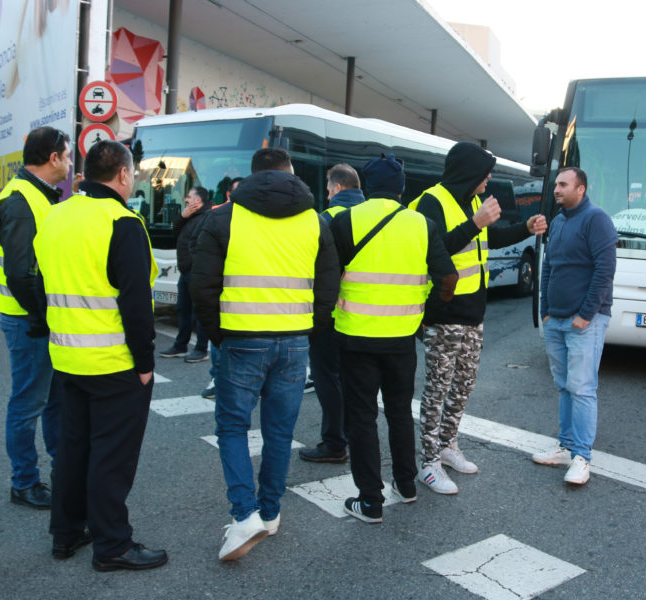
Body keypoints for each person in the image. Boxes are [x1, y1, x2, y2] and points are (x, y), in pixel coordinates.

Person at [191, 147, 339, 560]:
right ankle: (270, 513)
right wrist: (310, 328)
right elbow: (328, 285)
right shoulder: (313, 220)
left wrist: (218, 335)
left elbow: (202, 285)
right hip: (294, 338)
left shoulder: (225, 216)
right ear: (290, 175)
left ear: (252, 176)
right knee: (279, 432)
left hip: (241, 337)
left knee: (234, 427)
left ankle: (244, 516)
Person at [33, 140, 167, 570]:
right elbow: (136, 304)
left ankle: (66, 533)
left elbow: (40, 286)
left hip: (67, 359)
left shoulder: (55, 216)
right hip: (114, 365)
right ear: (124, 175)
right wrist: (146, 365)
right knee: (112, 456)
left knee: (73, 450)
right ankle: (113, 545)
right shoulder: (122, 222)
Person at [412, 141, 547, 494]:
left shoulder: (473, 201)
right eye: (485, 173)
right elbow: (434, 249)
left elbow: (491, 237)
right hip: (443, 313)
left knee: (464, 384)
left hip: (473, 313)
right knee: (437, 390)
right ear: (469, 173)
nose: (489, 179)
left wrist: (525, 228)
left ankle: (447, 444)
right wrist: (475, 223)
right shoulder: (432, 201)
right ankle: (427, 463)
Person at [330, 154, 457, 523]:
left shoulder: (347, 220)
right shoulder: (422, 224)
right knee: (400, 412)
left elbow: (327, 275)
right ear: (403, 189)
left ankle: (370, 501)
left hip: (355, 336)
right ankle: (406, 485)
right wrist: (425, 308)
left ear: (366, 187)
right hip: (402, 337)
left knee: (362, 418)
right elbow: (448, 279)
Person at [0, 126, 69, 509]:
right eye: (68, 156)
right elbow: (22, 273)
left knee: (53, 400)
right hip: (28, 321)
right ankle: (23, 481)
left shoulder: (38, 195)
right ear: (53, 158)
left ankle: (62, 473)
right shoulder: (21, 199)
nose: (70, 164)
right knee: (28, 403)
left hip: (38, 319)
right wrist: (42, 318)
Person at [532, 167, 617, 485]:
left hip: (585, 321)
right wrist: (545, 311)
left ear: (581, 189)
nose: (557, 189)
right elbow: (549, 267)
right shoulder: (558, 221)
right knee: (565, 386)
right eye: (556, 184)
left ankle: (582, 457)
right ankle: (565, 446)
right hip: (556, 319)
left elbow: (605, 269)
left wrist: (586, 314)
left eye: (564, 185)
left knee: (581, 388)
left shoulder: (597, 219)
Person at [298, 163, 365, 464]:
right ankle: (355, 436)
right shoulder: (374, 216)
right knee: (354, 380)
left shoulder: (325, 219)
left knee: (327, 378)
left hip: (331, 315)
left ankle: (334, 443)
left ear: (337, 188)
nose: (326, 195)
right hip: (367, 317)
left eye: (328, 189)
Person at [201, 176, 243, 399]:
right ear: (229, 194)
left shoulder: (254, 221)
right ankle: (217, 378)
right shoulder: (216, 217)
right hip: (223, 301)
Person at [159, 186, 212, 362]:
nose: (186, 200)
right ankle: (181, 344)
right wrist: (182, 216)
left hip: (197, 271)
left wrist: (192, 265)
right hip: (186, 271)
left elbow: (200, 245)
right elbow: (176, 233)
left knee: (199, 311)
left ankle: (201, 348)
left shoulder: (207, 216)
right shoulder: (191, 216)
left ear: (198, 201)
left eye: (189, 197)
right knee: (183, 308)